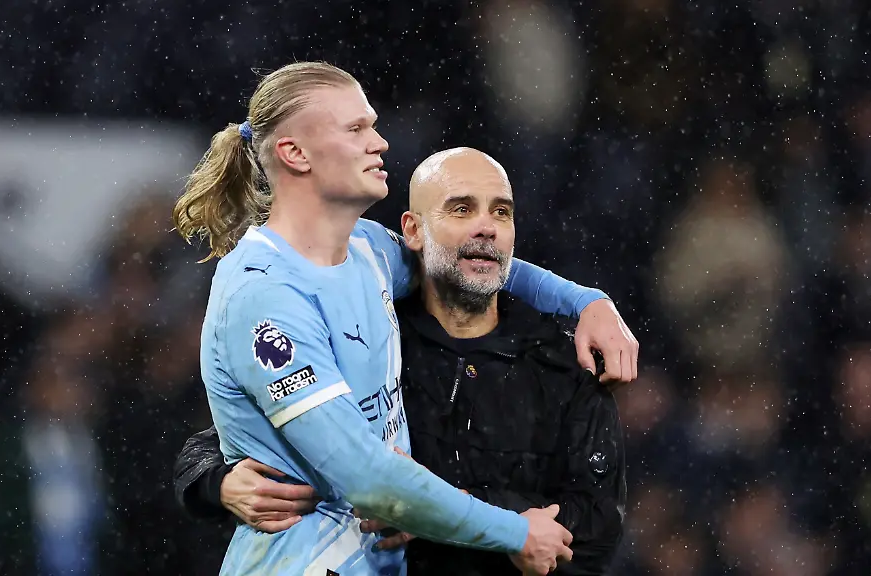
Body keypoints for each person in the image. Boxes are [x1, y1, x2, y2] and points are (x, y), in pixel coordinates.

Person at [171, 61, 637, 575]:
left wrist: (586, 301)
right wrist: (515, 531)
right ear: (295, 153)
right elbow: (368, 479)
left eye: (372, 124)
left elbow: (465, 256)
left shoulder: (368, 252)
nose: (381, 142)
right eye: (356, 129)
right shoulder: (266, 295)